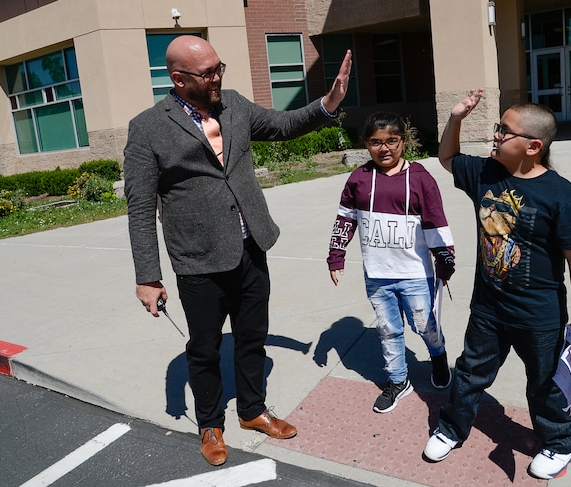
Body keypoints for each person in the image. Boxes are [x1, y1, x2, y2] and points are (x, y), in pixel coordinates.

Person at [123, 35, 351, 467]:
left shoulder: (234, 105)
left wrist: (328, 103)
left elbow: (283, 127)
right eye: (207, 72)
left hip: (251, 248)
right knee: (205, 348)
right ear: (178, 78)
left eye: (218, 67)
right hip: (198, 261)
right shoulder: (148, 127)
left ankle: (252, 410)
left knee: (252, 339)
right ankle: (209, 423)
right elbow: (138, 209)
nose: (217, 77)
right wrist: (147, 276)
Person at [422, 89, 571, 480]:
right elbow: (447, 158)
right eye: (498, 128)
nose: (497, 136)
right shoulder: (486, 173)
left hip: (539, 315)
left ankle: (561, 443)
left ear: (534, 146)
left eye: (505, 131)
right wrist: (456, 118)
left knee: (545, 384)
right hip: (488, 308)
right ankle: (451, 428)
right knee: (469, 373)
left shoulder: (561, 195)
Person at [327, 112, 456, 414]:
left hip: (415, 273)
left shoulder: (421, 178)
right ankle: (398, 380)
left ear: (404, 142)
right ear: (366, 144)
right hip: (377, 274)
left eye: (391, 141)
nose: (384, 148)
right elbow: (345, 218)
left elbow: (435, 222)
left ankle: (438, 356)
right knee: (388, 329)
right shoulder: (358, 179)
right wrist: (336, 255)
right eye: (376, 142)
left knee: (425, 325)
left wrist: (445, 260)